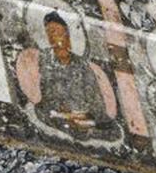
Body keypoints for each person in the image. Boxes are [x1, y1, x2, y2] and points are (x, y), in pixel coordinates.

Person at [16, 11, 117, 140]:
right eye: (50, 33)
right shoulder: (45, 59)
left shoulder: (83, 65)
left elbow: (96, 99)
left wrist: (85, 115)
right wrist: (64, 112)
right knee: (40, 114)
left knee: (111, 129)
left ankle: (82, 126)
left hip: (84, 116)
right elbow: (46, 91)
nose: (53, 37)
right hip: (58, 114)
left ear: (67, 34)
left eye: (57, 32)